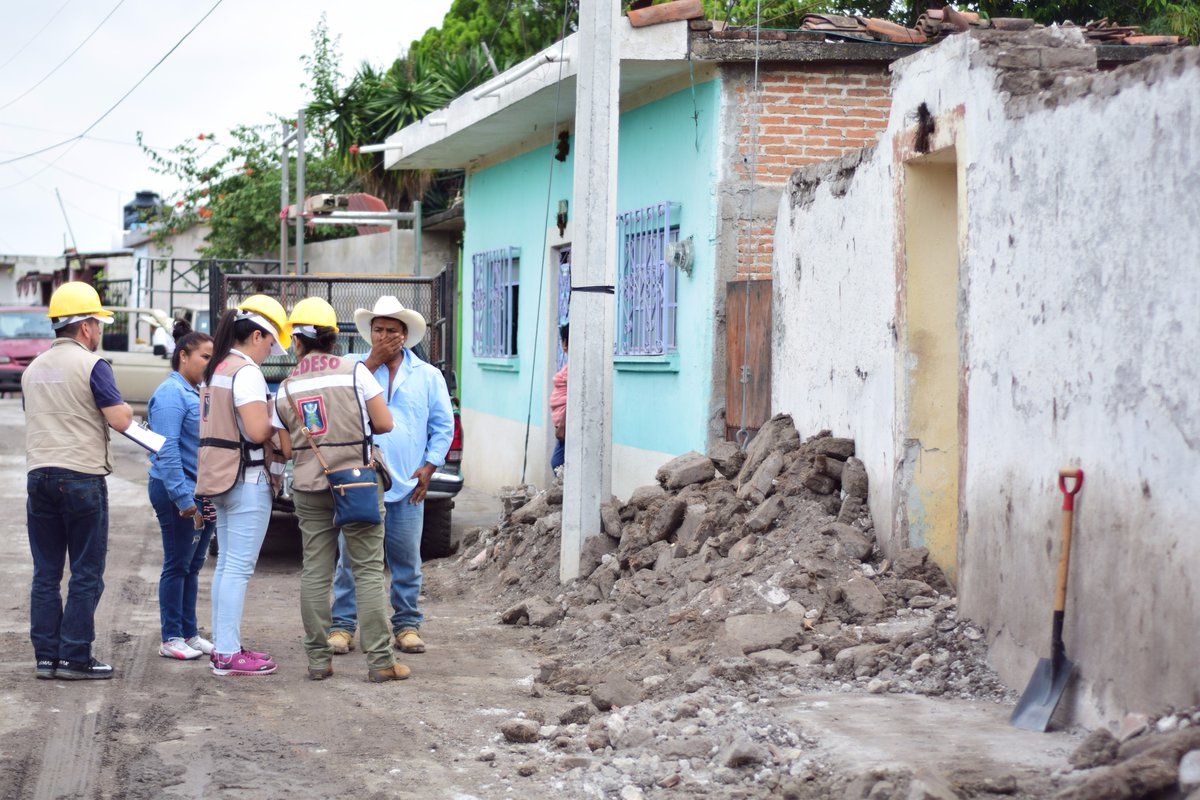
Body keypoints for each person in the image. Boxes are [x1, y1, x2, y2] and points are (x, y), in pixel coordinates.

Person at [271, 298, 409, 682]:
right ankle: (381, 662)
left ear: (297, 342)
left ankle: (318, 661)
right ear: (334, 339)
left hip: (309, 485)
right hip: (358, 485)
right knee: (366, 571)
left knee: (315, 570)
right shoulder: (356, 374)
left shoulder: (283, 389)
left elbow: (284, 448)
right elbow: (384, 424)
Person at [327, 296, 453, 658]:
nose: (383, 336)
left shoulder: (427, 376)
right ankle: (343, 626)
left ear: (405, 336)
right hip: (362, 482)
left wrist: (430, 466)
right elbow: (342, 403)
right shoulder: (353, 366)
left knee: (406, 559)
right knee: (351, 558)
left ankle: (407, 625)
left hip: (409, 485)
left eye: (391, 331)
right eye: (377, 330)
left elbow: (442, 426)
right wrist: (373, 362)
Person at [23, 281, 133, 680]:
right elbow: (120, 420)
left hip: (39, 476)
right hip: (82, 477)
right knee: (86, 571)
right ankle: (74, 656)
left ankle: (47, 658)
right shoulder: (92, 364)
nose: (99, 331)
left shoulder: (33, 369)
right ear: (85, 327)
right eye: (98, 323)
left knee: (46, 572)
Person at [195, 295, 290, 677]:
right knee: (237, 568)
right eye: (270, 342)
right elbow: (255, 430)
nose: (270, 350)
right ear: (256, 335)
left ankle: (224, 647)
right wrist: (278, 421)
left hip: (221, 478)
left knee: (226, 568)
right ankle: (229, 654)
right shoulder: (245, 372)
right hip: (247, 478)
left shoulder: (216, 367)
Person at [147, 320, 215, 660]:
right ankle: (170, 635)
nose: (209, 363)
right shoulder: (171, 395)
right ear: (183, 356)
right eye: (204, 357)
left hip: (200, 492)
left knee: (192, 565)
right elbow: (167, 449)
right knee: (177, 564)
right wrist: (183, 498)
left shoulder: (196, 391)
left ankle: (189, 632)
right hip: (179, 492)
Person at [550, 324, 569, 470]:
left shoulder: (575, 368)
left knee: (558, 464)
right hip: (564, 426)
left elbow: (574, 400)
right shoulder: (569, 366)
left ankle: (565, 493)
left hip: (567, 426)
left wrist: (563, 425)